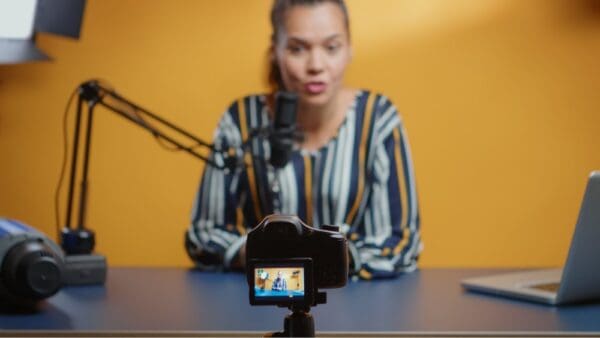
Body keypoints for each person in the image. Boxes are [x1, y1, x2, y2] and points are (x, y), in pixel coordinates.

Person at [185, 0, 422, 279]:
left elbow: (401, 241)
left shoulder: (378, 118)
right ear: (275, 51)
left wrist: (330, 260)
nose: (316, 65)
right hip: (266, 295)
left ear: (349, 49)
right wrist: (263, 257)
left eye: (331, 47)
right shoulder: (241, 121)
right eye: (297, 49)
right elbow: (204, 233)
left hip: (355, 304)